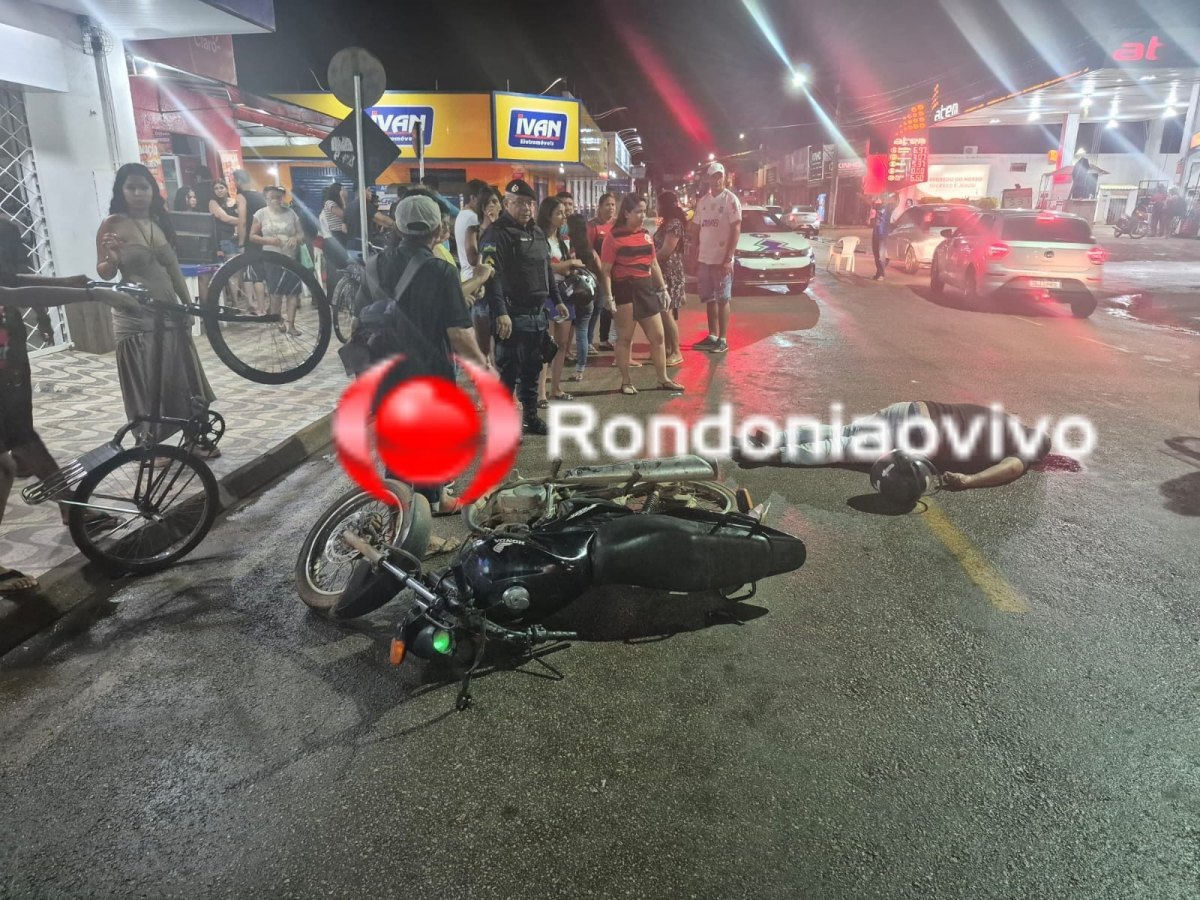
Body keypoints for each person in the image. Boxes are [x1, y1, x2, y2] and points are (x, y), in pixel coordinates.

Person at [354, 194, 489, 547]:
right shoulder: (440, 270)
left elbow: (359, 316)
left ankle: (435, 499)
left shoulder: (373, 265)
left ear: (398, 227)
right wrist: (484, 368)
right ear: (438, 230)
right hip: (426, 373)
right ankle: (409, 537)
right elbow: (458, 333)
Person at [95, 163, 216, 449]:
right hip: (136, 316)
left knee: (182, 375)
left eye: (143, 187)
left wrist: (187, 306)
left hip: (169, 311)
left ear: (152, 190)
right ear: (122, 191)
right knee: (147, 380)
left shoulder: (159, 221)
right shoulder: (112, 224)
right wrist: (112, 258)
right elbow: (105, 272)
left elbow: (174, 271)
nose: (138, 193)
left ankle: (194, 437)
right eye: (131, 188)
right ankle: (149, 444)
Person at [736, 401, 1052, 491]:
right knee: (843, 448)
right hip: (922, 434)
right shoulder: (1021, 446)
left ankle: (777, 437)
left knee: (844, 430)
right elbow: (1011, 469)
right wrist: (969, 480)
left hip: (912, 408)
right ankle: (776, 455)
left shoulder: (1006, 419)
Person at [480, 179, 563, 435]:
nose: (526, 208)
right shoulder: (497, 234)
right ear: (506, 203)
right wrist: (501, 313)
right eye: (519, 203)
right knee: (508, 374)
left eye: (529, 203)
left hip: (537, 315)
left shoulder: (537, 232)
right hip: (512, 315)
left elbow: (546, 270)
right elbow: (492, 276)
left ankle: (530, 418)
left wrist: (557, 300)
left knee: (532, 370)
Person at [599, 194, 684, 395]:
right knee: (625, 338)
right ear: (626, 213)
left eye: (644, 211)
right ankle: (626, 382)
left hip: (646, 288)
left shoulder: (646, 235)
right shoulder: (613, 237)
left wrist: (662, 289)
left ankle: (663, 379)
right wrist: (609, 296)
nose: (642, 215)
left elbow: (653, 264)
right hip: (625, 290)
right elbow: (606, 270)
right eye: (638, 212)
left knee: (658, 336)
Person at [536, 197, 583, 405]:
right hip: (546, 293)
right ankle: (541, 392)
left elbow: (573, 266)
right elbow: (545, 267)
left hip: (565, 293)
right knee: (546, 344)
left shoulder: (565, 239)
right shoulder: (538, 239)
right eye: (559, 213)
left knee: (562, 343)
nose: (564, 216)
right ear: (548, 216)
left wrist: (568, 265)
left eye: (564, 212)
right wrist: (568, 264)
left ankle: (556, 387)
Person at [691, 162, 741, 354]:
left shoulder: (731, 200)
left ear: (724, 177)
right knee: (709, 299)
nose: (717, 180)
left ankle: (723, 339)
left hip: (721, 261)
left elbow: (736, 228)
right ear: (708, 179)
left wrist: (728, 258)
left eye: (720, 176)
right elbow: (696, 228)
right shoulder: (703, 202)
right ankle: (712, 336)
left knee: (723, 299)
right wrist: (694, 254)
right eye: (714, 176)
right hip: (705, 259)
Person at [248, 185, 305, 335]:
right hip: (272, 258)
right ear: (265, 199)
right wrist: (268, 240)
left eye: (278, 197)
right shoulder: (260, 214)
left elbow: (301, 233)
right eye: (271, 197)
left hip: (291, 257)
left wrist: (295, 238)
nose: (275, 200)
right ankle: (278, 319)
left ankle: (291, 325)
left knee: (293, 292)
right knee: (276, 293)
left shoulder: (291, 213)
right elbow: (252, 236)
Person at [455, 181, 497, 361]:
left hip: (476, 282)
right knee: (483, 342)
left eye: (496, 202)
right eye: (488, 202)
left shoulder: (461, 216)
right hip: (478, 285)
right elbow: (474, 258)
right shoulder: (473, 223)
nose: (492, 206)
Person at [653, 190, 688, 367]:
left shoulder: (674, 224)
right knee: (663, 311)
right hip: (663, 272)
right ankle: (667, 348)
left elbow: (667, 250)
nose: (656, 207)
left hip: (670, 273)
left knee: (666, 312)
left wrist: (649, 260)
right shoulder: (666, 222)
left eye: (658, 204)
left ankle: (676, 351)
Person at [565, 212, 599, 380]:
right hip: (587, 295)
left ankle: (561, 358)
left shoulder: (568, 247)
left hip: (570, 295)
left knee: (562, 333)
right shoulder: (589, 249)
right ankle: (580, 369)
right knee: (582, 332)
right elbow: (599, 269)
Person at [587, 192, 618, 351]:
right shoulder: (593, 225)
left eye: (613, 204)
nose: (610, 208)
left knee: (610, 306)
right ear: (600, 207)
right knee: (596, 307)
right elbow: (589, 249)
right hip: (597, 273)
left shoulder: (617, 225)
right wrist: (599, 269)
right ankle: (587, 341)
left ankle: (605, 339)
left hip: (615, 273)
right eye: (607, 204)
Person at [233, 169, 267, 312]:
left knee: (256, 275)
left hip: (251, 239)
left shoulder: (242, 197)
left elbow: (242, 221)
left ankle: (260, 308)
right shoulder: (260, 195)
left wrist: (241, 243)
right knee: (261, 274)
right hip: (263, 237)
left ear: (239, 181)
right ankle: (263, 306)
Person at [318, 182, 351, 295]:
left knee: (342, 266)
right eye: (343, 189)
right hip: (334, 238)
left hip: (339, 237)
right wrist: (344, 199)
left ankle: (341, 295)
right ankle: (333, 297)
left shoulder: (336, 203)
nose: (345, 191)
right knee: (335, 270)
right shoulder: (330, 203)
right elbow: (345, 215)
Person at [871, 200, 891, 281]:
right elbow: (873, 222)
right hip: (875, 233)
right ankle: (878, 273)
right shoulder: (876, 209)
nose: (876, 200)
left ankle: (881, 274)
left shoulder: (888, 208)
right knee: (876, 254)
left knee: (881, 255)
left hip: (883, 234)